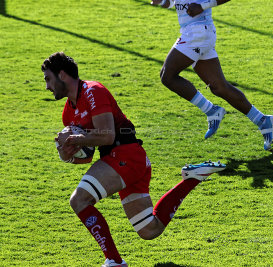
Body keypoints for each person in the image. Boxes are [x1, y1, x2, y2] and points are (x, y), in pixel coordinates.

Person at [42, 52, 226, 267]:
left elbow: (108, 135)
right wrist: (67, 154)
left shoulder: (93, 91)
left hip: (126, 156)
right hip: (121, 161)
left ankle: (114, 260)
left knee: (79, 200)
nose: (47, 86)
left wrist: (75, 138)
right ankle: (192, 178)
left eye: (48, 79)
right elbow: (87, 156)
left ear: (62, 75)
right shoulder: (68, 113)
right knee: (150, 229)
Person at [150, 0, 273, 150]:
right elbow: (175, 3)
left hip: (197, 33)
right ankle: (262, 119)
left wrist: (202, 7)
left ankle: (211, 110)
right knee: (219, 87)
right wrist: (162, 2)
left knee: (167, 76)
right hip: (197, 32)